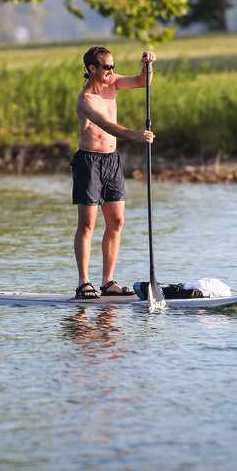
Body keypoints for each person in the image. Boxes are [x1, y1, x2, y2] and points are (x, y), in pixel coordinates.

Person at [71, 45, 156, 300]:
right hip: (89, 162)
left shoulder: (114, 83)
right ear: (91, 69)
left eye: (113, 66)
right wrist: (136, 136)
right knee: (87, 224)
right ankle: (83, 283)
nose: (111, 71)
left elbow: (143, 82)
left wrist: (147, 64)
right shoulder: (85, 100)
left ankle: (107, 282)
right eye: (106, 67)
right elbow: (107, 125)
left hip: (112, 161)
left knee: (117, 222)